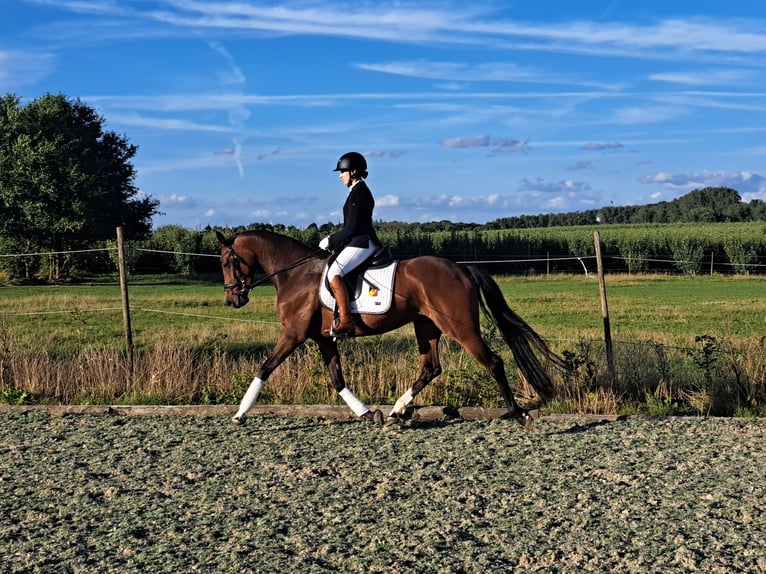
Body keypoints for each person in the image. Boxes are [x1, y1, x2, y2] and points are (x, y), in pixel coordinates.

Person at [319, 151, 382, 337]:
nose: (340, 175)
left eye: (343, 171)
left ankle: (346, 321)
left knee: (335, 273)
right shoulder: (355, 192)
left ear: (353, 172)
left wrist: (331, 240)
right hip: (358, 241)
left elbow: (352, 228)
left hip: (362, 242)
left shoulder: (359, 193)